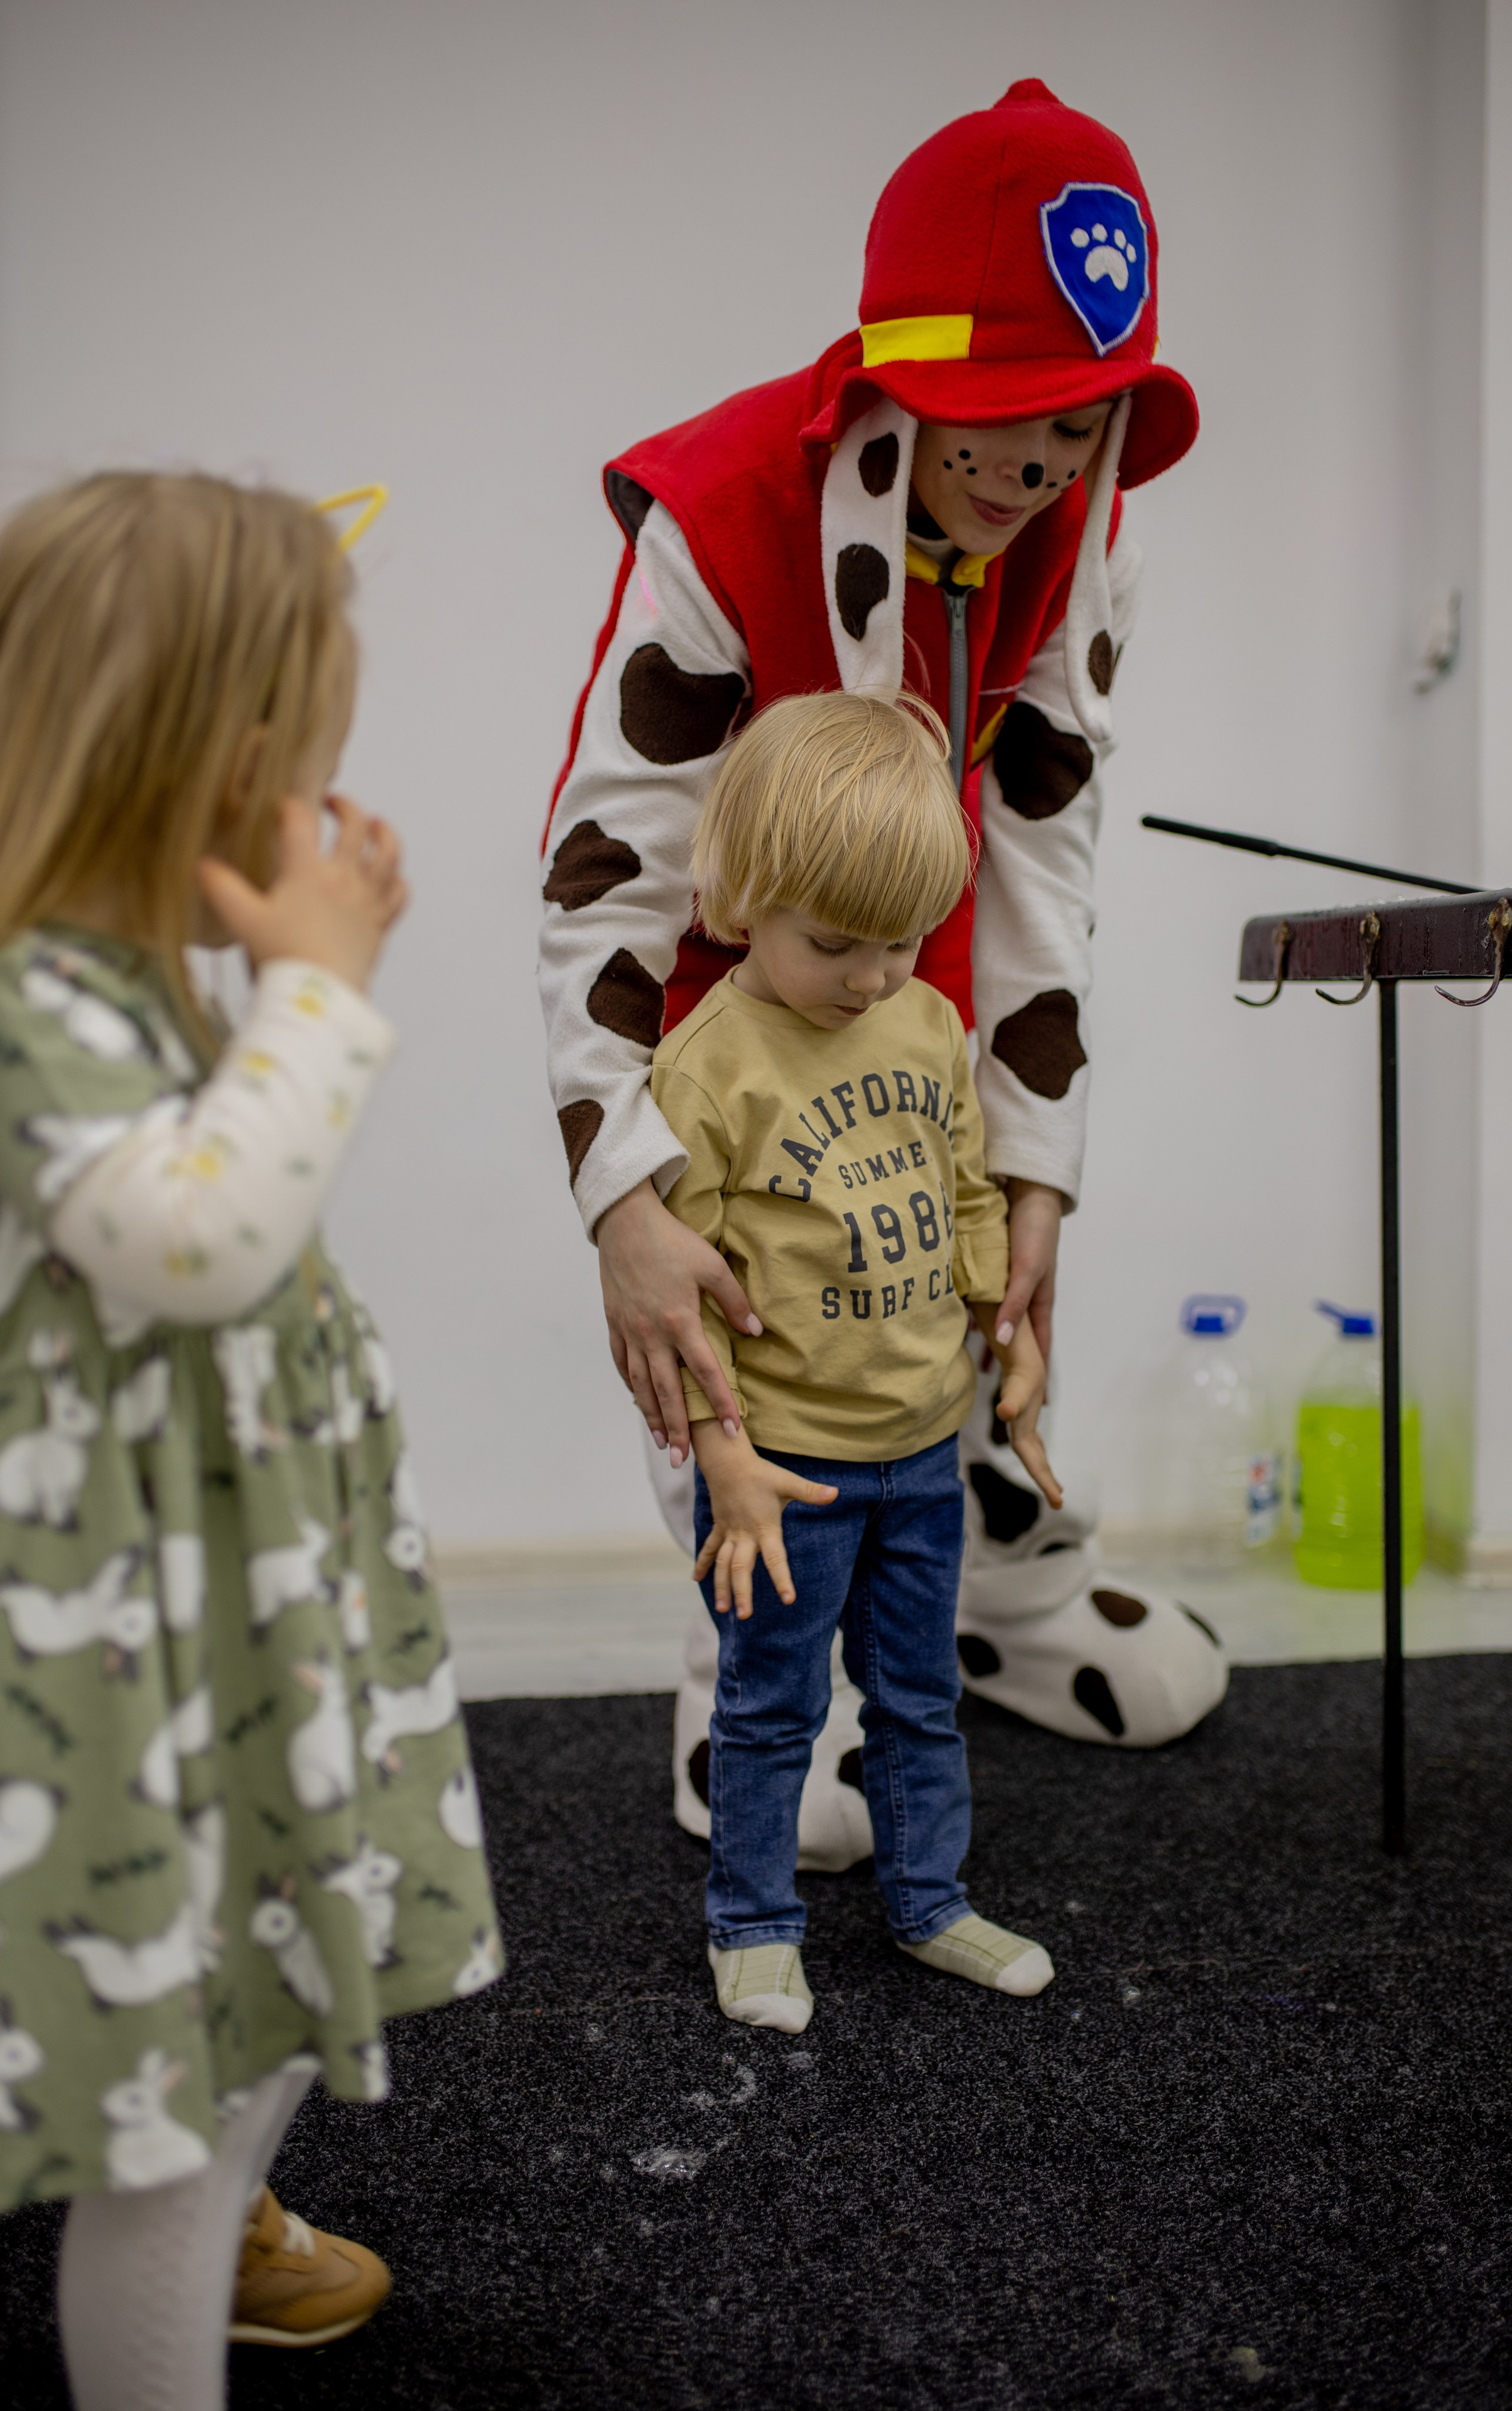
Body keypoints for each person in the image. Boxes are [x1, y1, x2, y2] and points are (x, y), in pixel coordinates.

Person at [539, 78, 1226, 1859]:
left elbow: (1046, 860)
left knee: (971, 1293)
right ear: (896, 374)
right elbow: (602, 883)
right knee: (760, 1341)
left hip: (922, 1029)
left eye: (1078, 430)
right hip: (732, 1026)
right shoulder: (723, 513)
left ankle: (997, 1592)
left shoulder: (1086, 533)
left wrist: (1035, 1168)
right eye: (998, 430)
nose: (1036, 477)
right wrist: (625, 1198)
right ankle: (752, 1669)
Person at [0, 472, 502, 2411]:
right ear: (214, 757)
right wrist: (323, 991)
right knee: (177, 2097)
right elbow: (193, 1235)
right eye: (314, 739)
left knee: (235, 2027)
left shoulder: (125, 972)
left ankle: (217, 2214)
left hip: (203, 1601)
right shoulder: (37, 993)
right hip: (115, 1632)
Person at [656, 691, 1062, 2032]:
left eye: (900, 942)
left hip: (922, 1444)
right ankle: (754, 1925)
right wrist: (725, 1459)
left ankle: (928, 1902)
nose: (873, 976)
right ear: (741, 897)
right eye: (835, 943)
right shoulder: (707, 1068)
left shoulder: (928, 1025)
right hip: (789, 1466)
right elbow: (689, 1295)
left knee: (918, 1696)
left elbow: (960, 1194)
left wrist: (1006, 1338)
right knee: (771, 1708)